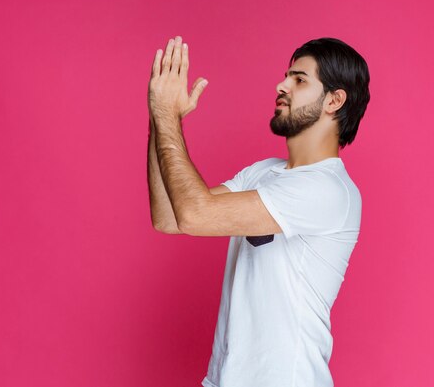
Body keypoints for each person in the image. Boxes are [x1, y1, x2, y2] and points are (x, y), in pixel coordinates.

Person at [146, 36, 370, 387]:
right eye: (286, 76)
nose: (281, 85)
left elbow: (195, 214)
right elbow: (171, 218)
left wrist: (167, 115)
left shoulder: (328, 189)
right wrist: (160, 121)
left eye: (299, 79)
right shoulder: (263, 172)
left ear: (334, 100)